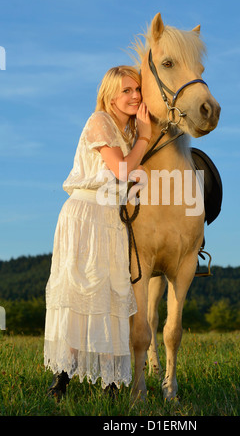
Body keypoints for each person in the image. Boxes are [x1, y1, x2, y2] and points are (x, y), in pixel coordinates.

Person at [44, 65, 151, 398]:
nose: (134, 96)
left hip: (111, 219)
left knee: (110, 296)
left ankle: (109, 382)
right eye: (126, 91)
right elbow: (121, 169)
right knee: (81, 295)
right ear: (110, 96)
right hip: (86, 215)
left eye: (137, 90)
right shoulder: (100, 121)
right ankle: (62, 377)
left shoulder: (130, 130)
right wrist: (146, 138)